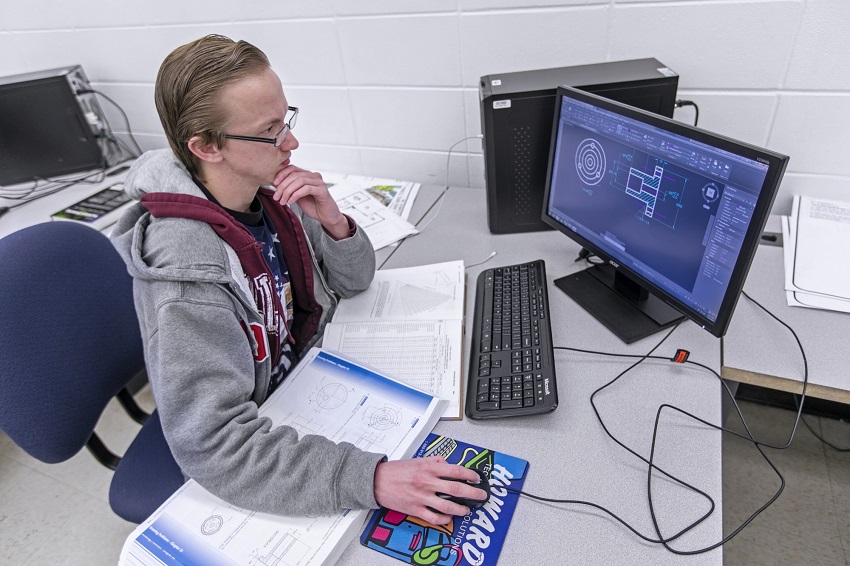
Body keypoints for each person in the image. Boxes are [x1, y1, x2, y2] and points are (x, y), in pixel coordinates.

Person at [111, 34, 485, 525]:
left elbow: (354, 282)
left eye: (286, 119)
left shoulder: (264, 193)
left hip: (314, 374)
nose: (291, 142)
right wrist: (369, 480)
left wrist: (334, 223)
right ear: (205, 147)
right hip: (268, 425)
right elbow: (214, 443)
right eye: (270, 130)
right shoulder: (186, 268)